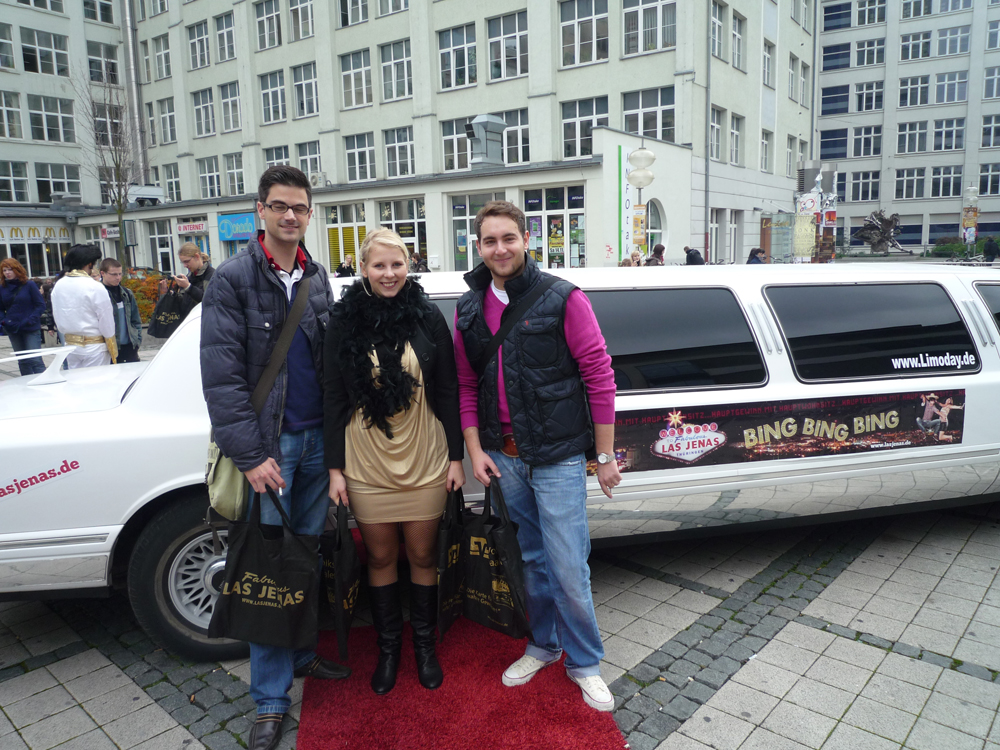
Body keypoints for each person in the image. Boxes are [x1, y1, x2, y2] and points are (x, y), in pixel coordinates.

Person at [453, 200, 621, 712]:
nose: (500, 248)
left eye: (509, 238)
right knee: (530, 560)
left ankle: (585, 662)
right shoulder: (468, 307)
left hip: (557, 456)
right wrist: (476, 451)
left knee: (568, 565)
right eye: (489, 240)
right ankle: (544, 646)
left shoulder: (562, 298)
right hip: (503, 457)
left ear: (527, 239)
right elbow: (465, 385)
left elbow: (598, 374)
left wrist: (605, 455)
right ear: (478, 246)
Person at [200, 166, 343, 750]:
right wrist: (253, 455)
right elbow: (222, 381)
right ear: (259, 210)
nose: (290, 216)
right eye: (279, 206)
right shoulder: (232, 280)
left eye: (299, 207)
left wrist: (337, 452)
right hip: (272, 450)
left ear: (309, 214)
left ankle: (302, 653)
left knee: (304, 558)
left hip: (316, 444)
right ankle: (269, 698)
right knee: (266, 569)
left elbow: (332, 365)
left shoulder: (317, 276)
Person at [324, 228, 465, 696]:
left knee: (422, 555)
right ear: (363, 268)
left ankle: (424, 646)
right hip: (366, 459)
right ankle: (389, 649)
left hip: (425, 453)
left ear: (409, 266)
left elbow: (448, 388)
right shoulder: (343, 320)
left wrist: (456, 457)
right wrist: (334, 469)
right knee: (381, 556)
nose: (389, 274)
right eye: (379, 265)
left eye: (397, 264)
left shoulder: (427, 315)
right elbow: (332, 395)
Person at [51, 245, 117, 368]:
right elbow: (106, 321)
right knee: (97, 379)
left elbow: (57, 314)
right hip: (94, 347)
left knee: (75, 379)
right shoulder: (95, 286)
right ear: (89, 264)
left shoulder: (59, 285)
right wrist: (111, 344)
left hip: (70, 346)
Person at [0, 258, 46, 376]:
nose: (7, 273)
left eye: (10, 269)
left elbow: (40, 305)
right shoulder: (2, 287)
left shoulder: (29, 285)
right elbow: (0, 308)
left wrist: (31, 320)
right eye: (4, 270)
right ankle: (26, 383)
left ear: (17, 270)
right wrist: (4, 321)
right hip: (13, 328)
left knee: (35, 359)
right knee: (22, 360)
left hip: (30, 327)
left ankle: (44, 381)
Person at [100, 258, 143, 363]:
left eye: (120, 274)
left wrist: (137, 339)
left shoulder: (127, 293)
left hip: (130, 347)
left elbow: (135, 319)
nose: (118, 277)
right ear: (103, 273)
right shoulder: (98, 294)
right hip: (109, 348)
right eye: (114, 274)